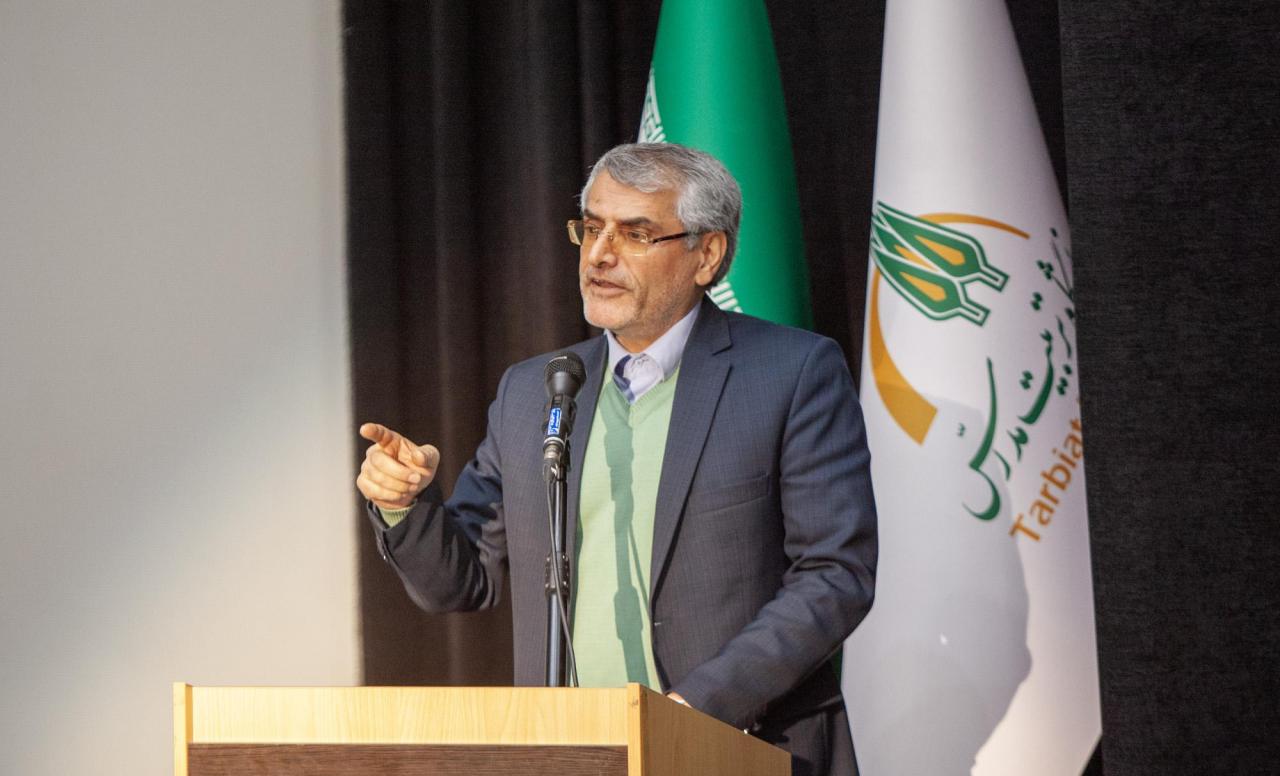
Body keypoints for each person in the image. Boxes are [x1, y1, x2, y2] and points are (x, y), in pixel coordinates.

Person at [356, 142, 877, 776]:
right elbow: (462, 581)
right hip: (571, 753)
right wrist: (403, 504)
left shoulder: (790, 374)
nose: (599, 255)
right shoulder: (537, 390)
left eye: (635, 234)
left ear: (707, 255)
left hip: (743, 747)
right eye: (591, 227)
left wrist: (695, 709)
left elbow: (835, 574)